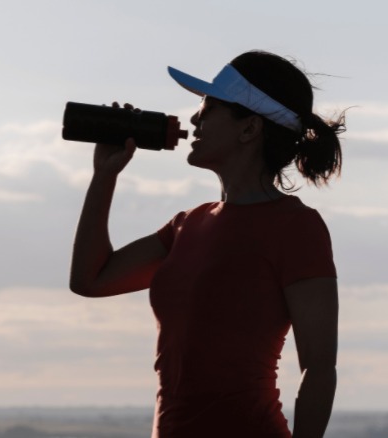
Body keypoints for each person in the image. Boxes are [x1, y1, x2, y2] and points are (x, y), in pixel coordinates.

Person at [69, 50, 344, 437]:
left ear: (249, 129)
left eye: (210, 107)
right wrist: (104, 176)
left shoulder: (297, 227)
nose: (196, 117)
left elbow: (318, 368)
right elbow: (90, 280)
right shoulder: (188, 225)